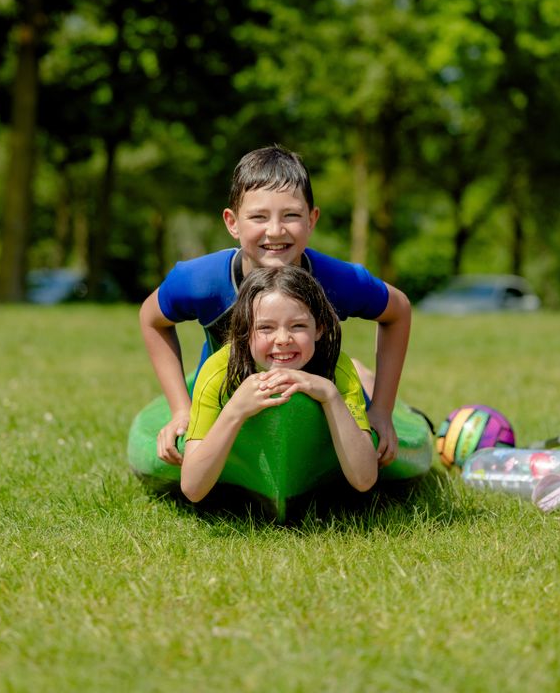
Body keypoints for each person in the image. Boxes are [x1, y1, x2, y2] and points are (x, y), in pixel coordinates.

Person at [139, 145, 411, 467]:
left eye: (291, 215)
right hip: (227, 396)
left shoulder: (337, 280)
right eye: (258, 217)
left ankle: (362, 376)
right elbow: (151, 317)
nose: (275, 231)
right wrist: (181, 410)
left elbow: (399, 310)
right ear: (232, 222)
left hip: (317, 391)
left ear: (312, 219)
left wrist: (380, 409)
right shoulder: (201, 281)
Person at [180, 266, 378, 502]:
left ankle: (367, 377)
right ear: (244, 330)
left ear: (319, 329)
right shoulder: (218, 372)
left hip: (344, 378)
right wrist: (235, 410)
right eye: (265, 327)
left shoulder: (337, 369)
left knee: (361, 377)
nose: (283, 339)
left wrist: (330, 395)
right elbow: (192, 488)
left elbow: (364, 480)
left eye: (298, 326)